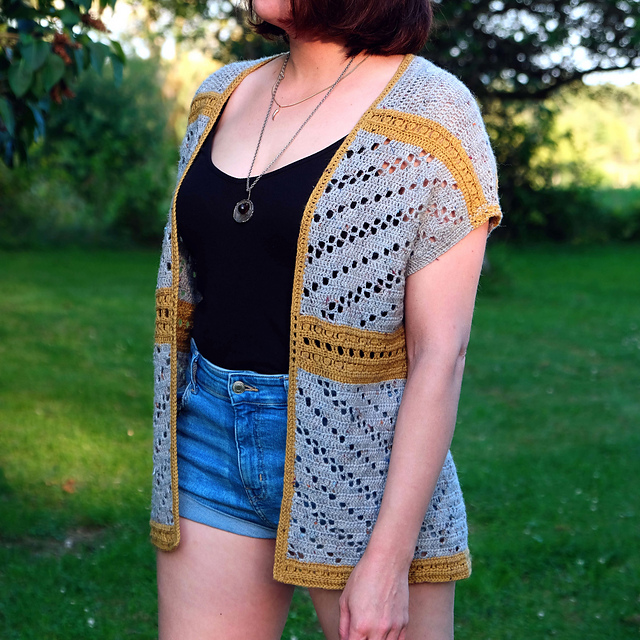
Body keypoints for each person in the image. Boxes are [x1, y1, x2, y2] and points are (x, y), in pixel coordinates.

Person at [150, 0, 502, 638]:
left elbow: (440, 354)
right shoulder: (220, 95)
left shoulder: (433, 113)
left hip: (361, 452)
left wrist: (389, 561)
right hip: (208, 434)